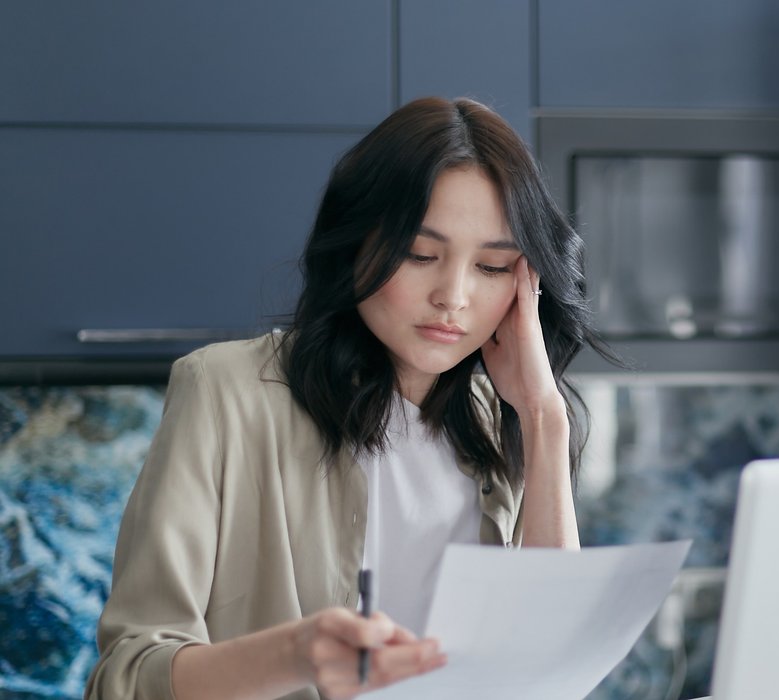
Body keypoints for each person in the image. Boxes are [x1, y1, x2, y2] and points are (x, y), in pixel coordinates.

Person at [85, 96, 613, 699]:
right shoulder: (227, 392)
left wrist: (545, 420)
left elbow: (552, 669)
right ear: (357, 242)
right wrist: (295, 655)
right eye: (420, 255)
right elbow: (124, 681)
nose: (454, 296)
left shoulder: (502, 422)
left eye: (492, 267)